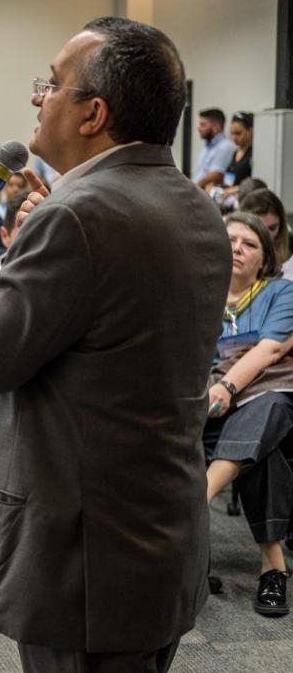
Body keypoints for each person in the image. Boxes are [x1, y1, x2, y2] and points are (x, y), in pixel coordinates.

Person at [0, 17, 230, 671]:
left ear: (94, 112)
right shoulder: (193, 205)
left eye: (51, 83)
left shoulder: (79, 215)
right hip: (154, 538)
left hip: (80, 562)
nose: (38, 96)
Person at [203, 213, 293, 617]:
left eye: (249, 244)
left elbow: (270, 351)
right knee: (263, 450)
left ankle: (191, 508)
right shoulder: (198, 292)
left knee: (268, 407)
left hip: (265, 393)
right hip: (209, 405)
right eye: (230, 240)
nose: (237, 248)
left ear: (265, 258)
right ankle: (273, 568)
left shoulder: (280, 292)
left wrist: (226, 387)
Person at [240, 189, 292, 276]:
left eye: (272, 228)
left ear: (281, 225)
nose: (267, 236)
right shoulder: (231, 252)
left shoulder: (291, 247)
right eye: (259, 229)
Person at [193, 107, 238, 189]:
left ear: (215, 127)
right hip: (197, 192)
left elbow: (216, 175)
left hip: (205, 195)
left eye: (203, 125)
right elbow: (198, 173)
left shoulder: (225, 147)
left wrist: (192, 189)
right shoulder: (207, 146)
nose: (199, 128)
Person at [224, 111, 254, 194]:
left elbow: (256, 182)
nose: (234, 138)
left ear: (250, 131)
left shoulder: (254, 154)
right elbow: (228, 181)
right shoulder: (235, 153)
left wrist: (236, 189)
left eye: (238, 133)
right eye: (232, 133)